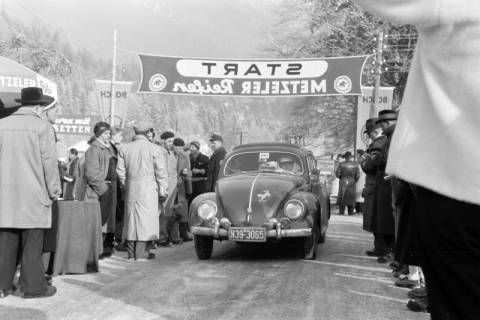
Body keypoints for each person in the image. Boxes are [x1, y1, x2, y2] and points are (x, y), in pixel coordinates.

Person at [0, 87, 61, 298]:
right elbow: (49, 164)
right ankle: (33, 287)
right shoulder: (43, 127)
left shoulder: (2, 124)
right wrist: (54, 190)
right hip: (34, 194)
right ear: (38, 106)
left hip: (5, 195)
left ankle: (2, 286)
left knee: (5, 242)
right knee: (32, 244)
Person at [116, 121, 168, 261]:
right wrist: (163, 190)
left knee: (131, 220)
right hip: (149, 187)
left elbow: (120, 171)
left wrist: (126, 185)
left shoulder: (124, 148)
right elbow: (161, 172)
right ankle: (142, 253)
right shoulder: (154, 149)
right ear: (147, 133)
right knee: (146, 221)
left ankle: (131, 253)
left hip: (132, 187)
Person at [84, 121, 117, 258]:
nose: (109, 135)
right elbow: (92, 173)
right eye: (107, 133)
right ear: (100, 134)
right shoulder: (94, 149)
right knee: (98, 221)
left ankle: (104, 247)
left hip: (109, 187)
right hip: (99, 191)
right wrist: (103, 189)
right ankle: (94, 251)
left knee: (107, 221)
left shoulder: (107, 148)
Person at [359, 118, 387, 256]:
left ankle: (381, 248)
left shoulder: (377, 145)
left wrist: (363, 161)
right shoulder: (386, 141)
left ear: (373, 132)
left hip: (374, 185)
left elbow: (370, 166)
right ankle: (383, 248)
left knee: (375, 218)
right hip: (381, 184)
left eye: (369, 133)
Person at [158, 131, 179, 246]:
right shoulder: (160, 152)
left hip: (172, 188)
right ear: (163, 140)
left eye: (172, 141)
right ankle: (161, 238)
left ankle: (165, 235)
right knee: (162, 214)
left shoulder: (170, 153)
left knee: (168, 214)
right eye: (169, 141)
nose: (171, 143)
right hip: (164, 188)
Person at [173, 138, 193, 242]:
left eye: (181, 147)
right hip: (171, 185)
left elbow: (189, 173)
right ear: (173, 146)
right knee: (170, 211)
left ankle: (182, 233)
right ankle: (172, 235)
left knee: (181, 210)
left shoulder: (185, 156)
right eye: (178, 147)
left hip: (181, 185)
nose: (180, 149)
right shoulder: (169, 155)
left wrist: (189, 189)